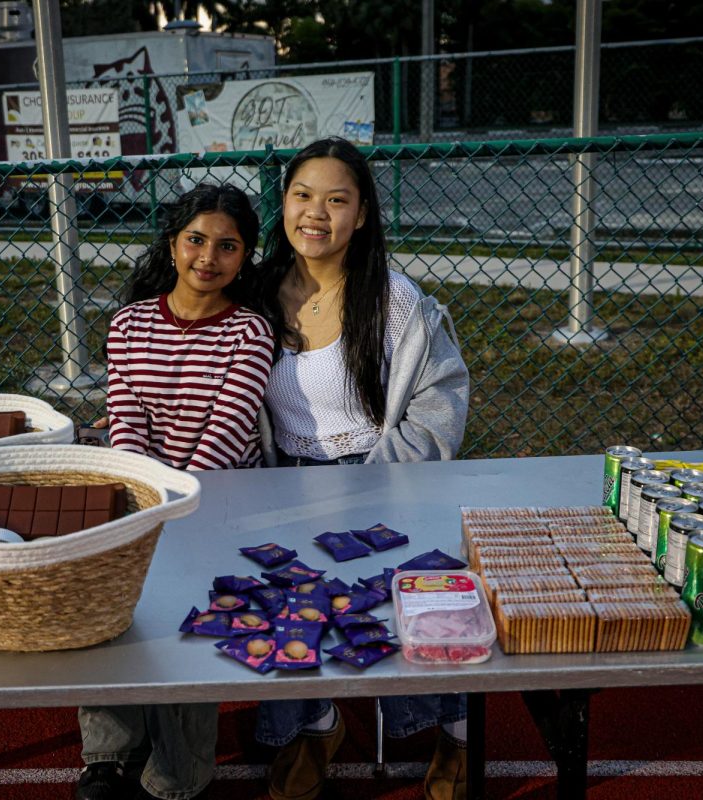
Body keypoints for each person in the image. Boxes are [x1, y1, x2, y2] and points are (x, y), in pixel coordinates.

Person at [253, 137, 471, 800]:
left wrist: (366, 486)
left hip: (382, 479)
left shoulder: (400, 304)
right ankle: (318, 725)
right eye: (302, 195)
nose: (315, 213)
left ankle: (457, 736)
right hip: (282, 482)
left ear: (363, 214)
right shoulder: (256, 297)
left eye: (336, 199)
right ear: (284, 204)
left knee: (428, 596)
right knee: (272, 595)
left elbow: (439, 410)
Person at [77, 182, 274, 800]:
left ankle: (177, 774)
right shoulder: (130, 323)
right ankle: (107, 753)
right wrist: (143, 503)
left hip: (217, 504)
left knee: (190, 619)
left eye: (227, 246)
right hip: (144, 497)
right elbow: (127, 418)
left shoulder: (250, 331)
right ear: (172, 242)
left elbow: (227, 429)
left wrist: (175, 510)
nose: (207, 258)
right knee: (111, 600)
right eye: (195, 240)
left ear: (245, 258)